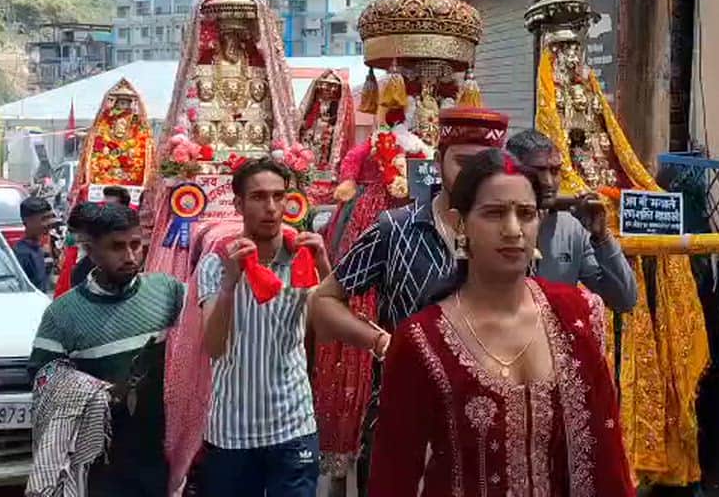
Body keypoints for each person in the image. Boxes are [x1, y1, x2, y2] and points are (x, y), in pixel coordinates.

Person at [368, 147, 635, 496]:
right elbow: (394, 475)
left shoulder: (578, 315)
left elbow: (607, 458)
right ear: (461, 222)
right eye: (494, 214)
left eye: (526, 214)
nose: (513, 230)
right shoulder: (422, 340)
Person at [309, 106, 511, 491]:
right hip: (403, 418)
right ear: (438, 161)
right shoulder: (395, 230)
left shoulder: (510, 236)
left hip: (489, 427)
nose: (473, 177)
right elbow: (324, 302)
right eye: (463, 163)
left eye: (485, 166)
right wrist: (381, 342)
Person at [28, 204, 186, 496]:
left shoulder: (167, 292)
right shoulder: (63, 314)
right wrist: (99, 392)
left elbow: (199, 338)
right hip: (98, 459)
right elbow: (41, 377)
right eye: (116, 247)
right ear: (92, 250)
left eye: (135, 245)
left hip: (158, 452)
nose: (129, 256)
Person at [196, 158, 330, 497]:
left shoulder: (302, 258)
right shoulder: (216, 263)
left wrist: (325, 266)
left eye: (278, 196)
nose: (271, 207)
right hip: (232, 430)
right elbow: (213, 347)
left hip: (293, 424)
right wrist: (230, 283)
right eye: (258, 197)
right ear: (239, 204)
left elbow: (328, 329)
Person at [505, 128, 637, 312]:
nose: (548, 182)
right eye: (538, 171)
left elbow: (624, 300)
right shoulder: (495, 222)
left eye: (555, 171)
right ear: (512, 171)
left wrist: (602, 238)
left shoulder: (572, 226)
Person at [53, 202, 102, 297]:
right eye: (73, 231)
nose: (78, 238)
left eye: (81, 233)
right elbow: (61, 289)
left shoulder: (104, 262)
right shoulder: (72, 252)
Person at [15, 196, 55, 291]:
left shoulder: (41, 247)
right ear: (27, 221)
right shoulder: (22, 254)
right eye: (44, 219)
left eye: (50, 217)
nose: (49, 223)